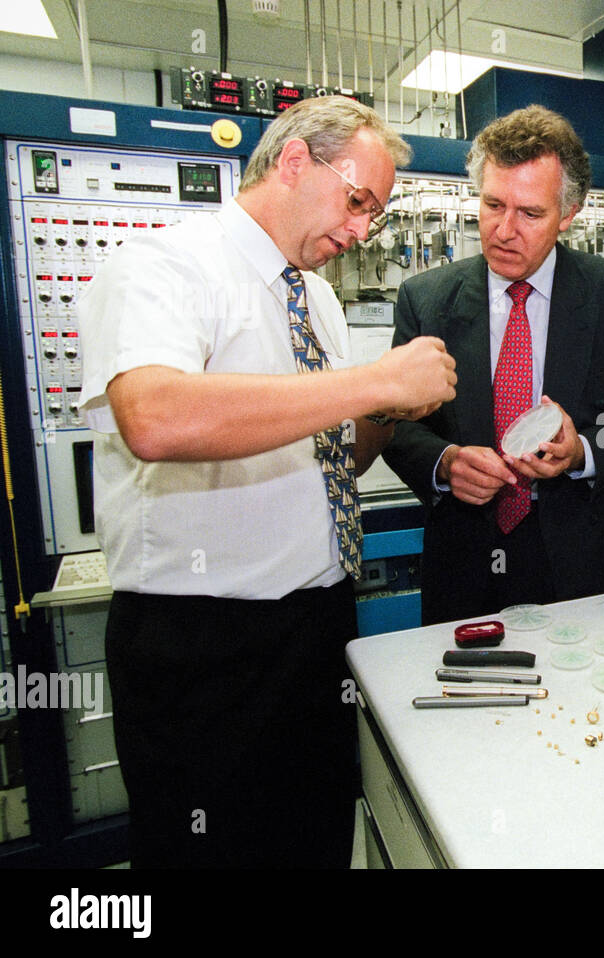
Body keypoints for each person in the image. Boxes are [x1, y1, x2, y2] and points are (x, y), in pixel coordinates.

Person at [78, 96, 457, 867]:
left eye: (374, 214)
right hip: (204, 645)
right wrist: (368, 382)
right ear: (292, 162)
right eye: (357, 201)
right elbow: (154, 417)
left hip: (313, 630)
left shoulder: (313, 295)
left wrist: (390, 406)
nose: (360, 230)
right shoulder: (164, 263)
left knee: (315, 840)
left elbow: (331, 461)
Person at [383, 105, 604, 624]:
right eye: (493, 204)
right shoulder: (425, 299)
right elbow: (395, 426)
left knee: (579, 703)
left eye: (531, 214)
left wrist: (581, 450)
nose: (504, 230)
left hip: (573, 561)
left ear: (569, 213)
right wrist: (444, 463)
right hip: (462, 561)